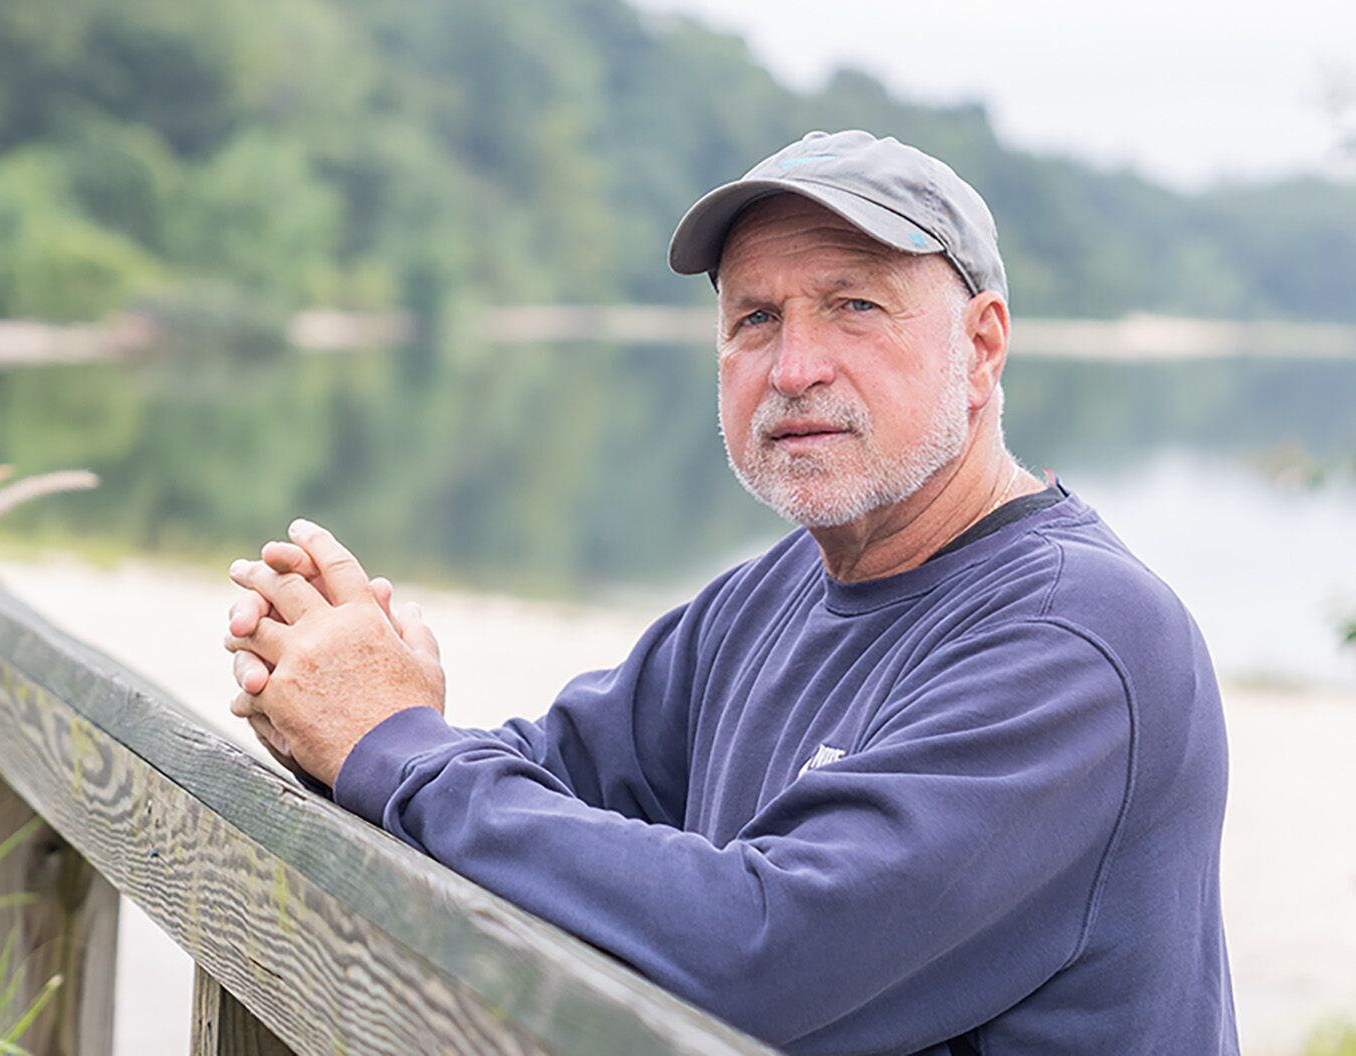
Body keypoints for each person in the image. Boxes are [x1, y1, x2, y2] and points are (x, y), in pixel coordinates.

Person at [222, 130, 1240, 1055]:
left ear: (978, 346)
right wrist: (353, 716)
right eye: (755, 317)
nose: (795, 367)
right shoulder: (769, 596)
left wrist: (391, 743)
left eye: (854, 306)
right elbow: (541, 786)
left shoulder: (1078, 641)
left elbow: (762, 959)